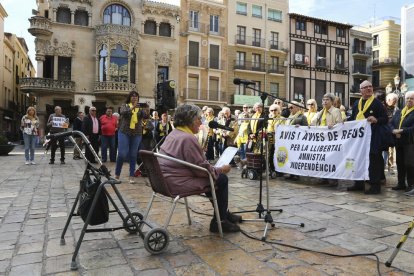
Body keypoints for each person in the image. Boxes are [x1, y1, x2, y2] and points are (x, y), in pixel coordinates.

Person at [158, 104, 241, 233]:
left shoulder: (174, 133)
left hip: (164, 180)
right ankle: (220, 221)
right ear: (190, 119)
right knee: (221, 179)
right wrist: (220, 169)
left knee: (213, 180)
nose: (200, 122)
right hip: (176, 182)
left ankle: (223, 214)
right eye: (198, 119)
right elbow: (201, 170)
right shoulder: (188, 138)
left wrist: (211, 168)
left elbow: (196, 165)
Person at [347, 80, 388, 194]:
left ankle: (375, 187)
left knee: (373, 162)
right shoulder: (356, 104)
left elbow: (385, 119)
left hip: (373, 138)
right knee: (358, 160)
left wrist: (376, 120)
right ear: (361, 91)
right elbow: (353, 119)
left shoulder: (377, 103)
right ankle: (358, 184)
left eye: (370, 86)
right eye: (366, 87)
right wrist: (344, 122)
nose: (369, 88)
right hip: (359, 140)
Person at [115, 91, 149, 183]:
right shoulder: (125, 106)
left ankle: (131, 176)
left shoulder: (140, 109)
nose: (134, 98)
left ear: (138, 98)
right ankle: (117, 174)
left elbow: (146, 116)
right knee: (122, 154)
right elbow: (123, 113)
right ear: (129, 98)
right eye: (132, 96)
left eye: (136, 96)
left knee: (133, 155)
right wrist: (133, 107)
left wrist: (147, 109)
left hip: (136, 133)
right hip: (124, 132)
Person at [391, 91, 414, 193]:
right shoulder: (399, 111)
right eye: (407, 98)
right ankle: (401, 184)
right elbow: (391, 123)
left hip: (410, 141)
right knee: (399, 163)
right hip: (399, 141)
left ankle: (411, 185)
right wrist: (393, 130)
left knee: (410, 163)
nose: (409, 100)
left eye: (411, 98)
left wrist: (402, 131)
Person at [384, 93, 399, 175]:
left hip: (392, 133)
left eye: (394, 100)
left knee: (391, 152)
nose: (389, 101)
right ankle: (382, 168)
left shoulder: (397, 109)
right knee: (384, 151)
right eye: (389, 99)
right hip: (384, 132)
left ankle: (390, 167)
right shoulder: (383, 108)